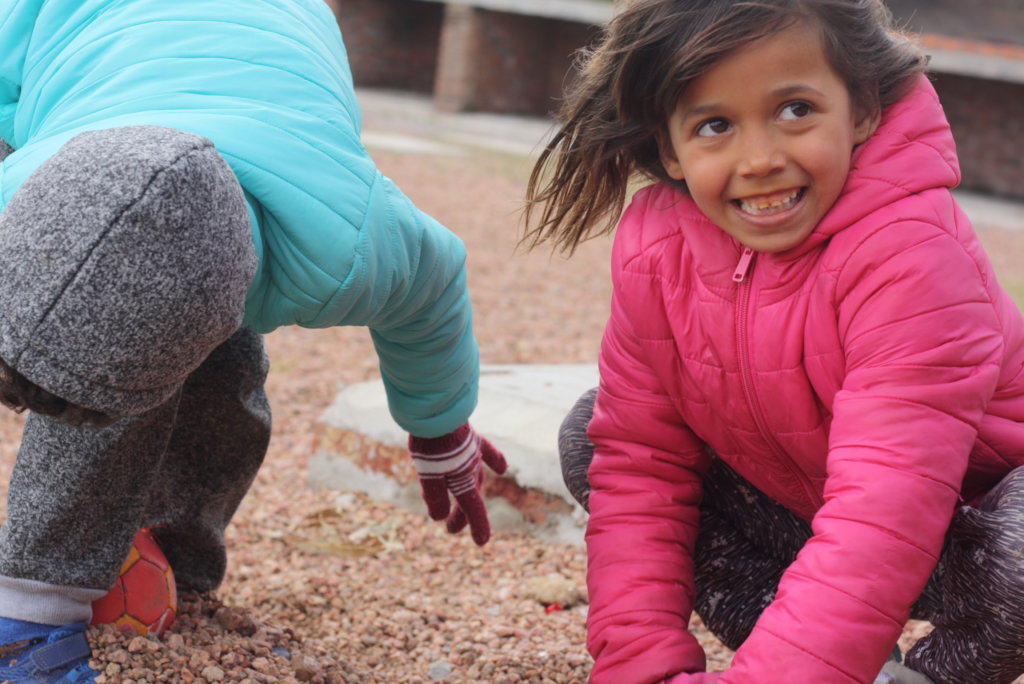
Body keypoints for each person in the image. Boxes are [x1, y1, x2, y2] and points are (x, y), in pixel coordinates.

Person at [0, 0, 507, 681]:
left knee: (206, 373)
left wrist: (440, 428)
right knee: (95, 316)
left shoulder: (346, 239)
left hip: (284, 38)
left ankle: (55, 599)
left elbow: (435, 285)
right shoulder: (20, 188)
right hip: (61, 22)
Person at [523, 0, 1024, 683]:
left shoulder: (912, 251)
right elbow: (643, 465)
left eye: (795, 110)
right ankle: (825, 660)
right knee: (596, 433)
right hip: (812, 513)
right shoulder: (656, 249)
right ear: (670, 148)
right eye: (715, 125)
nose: (759, 159)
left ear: (864, 110)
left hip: (972, 532)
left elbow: (888, 501)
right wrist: (639, 664)